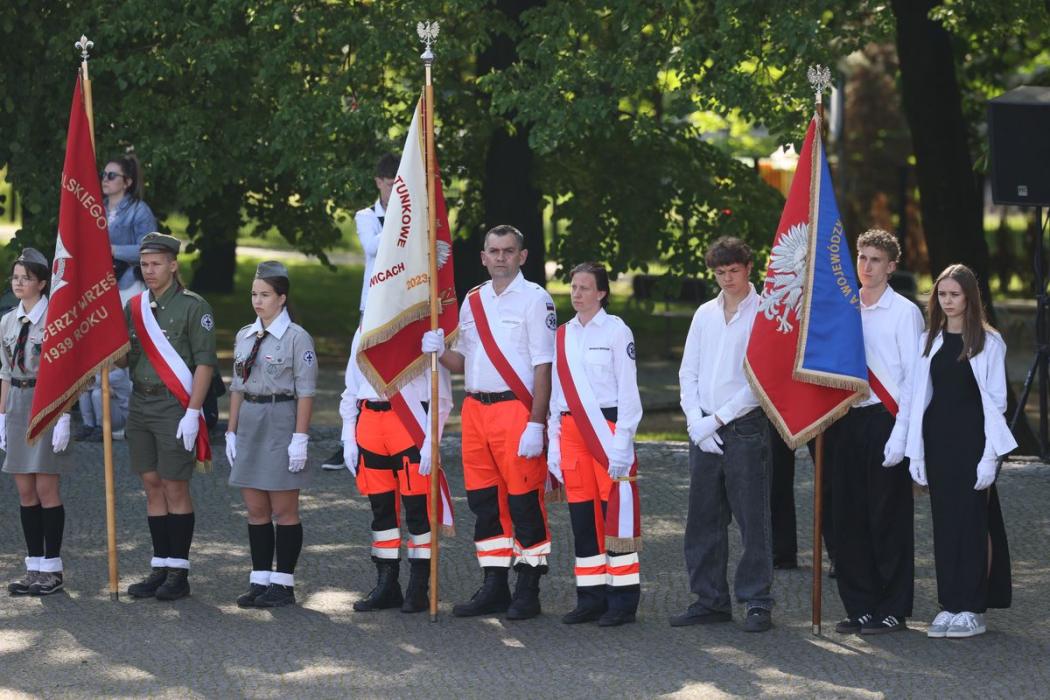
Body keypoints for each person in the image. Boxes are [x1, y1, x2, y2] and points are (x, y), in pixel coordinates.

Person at [422, 224, 556, 620]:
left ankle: (528, 588)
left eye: (508, 251)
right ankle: (494, 585)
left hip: (516, 411)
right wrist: (439, 351)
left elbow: (544, 366)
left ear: (522, 256)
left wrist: (537, 423)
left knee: (524, 502)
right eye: (494, 251)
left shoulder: (537, 300)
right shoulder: (473, 299)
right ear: (483, 257)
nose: (500, 257)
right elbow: (463, 361)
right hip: (476, 411)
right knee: (484, 503)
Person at [905, 264, 1014, 638]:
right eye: (942, 294)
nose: (947, 301)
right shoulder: (929, 340)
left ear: (969, 297)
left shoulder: (988, 342)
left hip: (974, 443)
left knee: (971, 524)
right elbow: (919, 397)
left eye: (955, 294)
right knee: (944, 524)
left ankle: (973, 608)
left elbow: (997, 403)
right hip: (938, 441)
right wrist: (916, 453)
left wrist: (989, 457)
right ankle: (950, 604)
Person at [671, 236, 774, 632]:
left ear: (749, 268)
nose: (727, 279)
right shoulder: (705, 314)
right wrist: (695, 421)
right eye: (720, 272)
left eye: (733, 271)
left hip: (744, 426)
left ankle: (757, 600)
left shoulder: (764, 313)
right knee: (703, 518)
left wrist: (716, 419)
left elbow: (761, 380)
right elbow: (688, 371)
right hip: (703, 429)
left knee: (752, 518)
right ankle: (709, 599)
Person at [830, 229, 924, 636]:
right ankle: (861, 605)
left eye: (875, 260)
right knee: (846, 517)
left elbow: (914, 381)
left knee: (887, 517)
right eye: (862, 258)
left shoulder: (904, 312)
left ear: (891, 266)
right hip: (844, 419)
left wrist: (902, 435)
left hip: (886, 419)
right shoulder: (843, 307)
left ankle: (893, 608)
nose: (866, 267)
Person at [119, 232, 217, 601]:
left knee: (175, 485)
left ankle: (178, 571)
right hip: (140, 404)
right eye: (144, 264)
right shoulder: (135, 307)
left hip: (174, 406)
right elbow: (125, 359)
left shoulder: (194, 307)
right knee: (151, 484)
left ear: (173, 265)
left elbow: (205, 364)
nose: (149, 271)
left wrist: (193, 411)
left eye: (156, 264)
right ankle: (160, 565)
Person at [547, 262, 643, 627]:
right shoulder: (562, 334)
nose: (576, 293)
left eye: (584, 288)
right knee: (583, 517)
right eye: (573, 287)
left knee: (613, 516)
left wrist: (623, 442)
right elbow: (557, 392)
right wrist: (554, 442)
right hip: (571, 431)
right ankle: (590, 598)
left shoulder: (617, 331)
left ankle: (622, 602)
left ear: (601, 293)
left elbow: (629, 390)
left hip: (607, 428)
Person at [340, 328, 452, 613]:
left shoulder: (421, 326)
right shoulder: (364, 329)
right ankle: (387, 584)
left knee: (417, 510)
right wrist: (348, 435)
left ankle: (418, 586)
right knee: (382, 511)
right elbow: (351, 386)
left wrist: (432, 439)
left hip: (408, 424)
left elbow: (441, 393)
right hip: (369, 423)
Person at [225, 261, 317, 608]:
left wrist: (300, 437)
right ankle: (260, 578)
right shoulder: (245, 335)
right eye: (254, 294)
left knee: (283, 508)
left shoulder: (297, 338)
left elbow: (306, 392)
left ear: (282, 298)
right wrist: (231, 430)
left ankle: (284, 583)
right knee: (255, 508)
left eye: (265, 295)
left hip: (280, 419)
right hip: (250, 420)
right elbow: (237, 386)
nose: (257, 301)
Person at [321, 152, 399, 472]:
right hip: (373, 303)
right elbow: (372, 247)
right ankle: (348, 437)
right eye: (391, 184)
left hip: (402, 302)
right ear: (379, 182)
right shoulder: (367, 216)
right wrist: (400, 217)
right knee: (360, 367)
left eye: (402, 185)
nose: (397, 190)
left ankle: (395, 432)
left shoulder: (413, 216)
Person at [2, 249, 72, 595]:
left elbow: (68, 372)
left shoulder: (56, 320)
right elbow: (4, 372)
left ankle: (52, 569)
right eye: (15, 277)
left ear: (43, 283)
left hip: (47, 403)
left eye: (26, 278)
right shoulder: (7, 321)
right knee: (25, 491)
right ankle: (33, 565)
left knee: (46, 489)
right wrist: (1, 417)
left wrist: (65, 415)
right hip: (17, 402)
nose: (19, 283)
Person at [102, 153, 157, 306]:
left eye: (112, 175)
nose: (105, 179)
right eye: (104, 174)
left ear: (127, 182)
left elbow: (150, 250)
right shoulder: (95, 209)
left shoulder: (140, 210)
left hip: (128, 285)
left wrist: (113, 250)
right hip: (98, 286)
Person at [75, 368, 132, 442]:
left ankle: (101, 429)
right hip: (107, 415)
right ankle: (88, 426)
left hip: (121, 418)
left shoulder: (120, 372)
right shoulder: (101, 371)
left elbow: (93, 382)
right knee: (83, 392)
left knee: (97, 393)